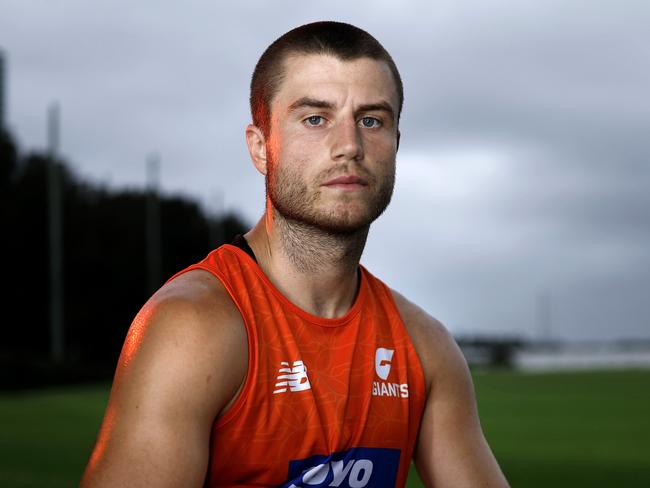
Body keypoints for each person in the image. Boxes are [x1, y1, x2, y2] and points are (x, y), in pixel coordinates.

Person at [81, 21, 509, 488]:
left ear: (396, 145)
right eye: (315, 118)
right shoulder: (195, 328)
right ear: (261, 148)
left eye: (371, 120)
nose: (349, 146)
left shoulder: (425, 348)